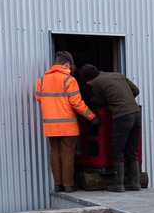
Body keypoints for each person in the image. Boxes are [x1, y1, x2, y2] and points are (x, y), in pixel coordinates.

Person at [35, 51, 98, 192]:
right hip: (67, 126)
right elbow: (76, 103)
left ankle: (58, 184)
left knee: (55, 153)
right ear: (67, 64)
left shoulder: (42, 79)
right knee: (68, 154)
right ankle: (68, 185)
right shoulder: (69, 80)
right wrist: (91, 117)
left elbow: (39, 98)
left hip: (51, 125)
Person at [78, 64, 141, 192]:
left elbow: (99, 102)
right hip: (136, 114)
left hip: (122, 117)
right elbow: (136, 90)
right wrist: (124, 100)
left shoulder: (96, 83)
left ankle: (118, 185)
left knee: (117, 150)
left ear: (87, 79)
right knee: (132, 151)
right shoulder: (117, 75)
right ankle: (135, 183)